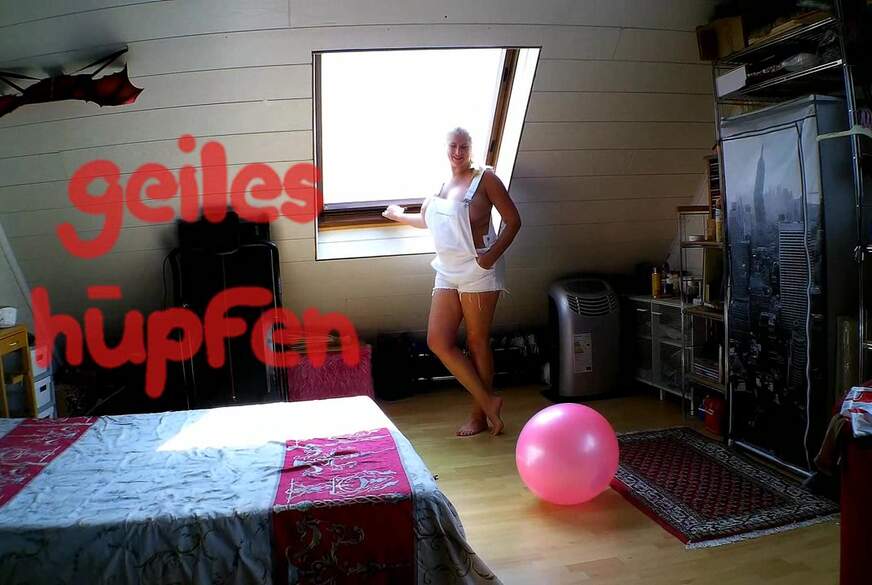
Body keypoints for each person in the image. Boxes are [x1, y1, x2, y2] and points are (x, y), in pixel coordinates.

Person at [382, 127, 522, 436]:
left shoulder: (486, 179)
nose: (458, 152)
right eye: (453, 146)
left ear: (472, 148)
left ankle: (479, 416)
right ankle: (489, 401)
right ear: (446, 148)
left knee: (476, 342)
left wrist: (489, 258)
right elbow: (427, 220)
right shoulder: (442, 184)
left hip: (478, 269)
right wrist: (398, 215)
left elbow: (514, 221)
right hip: (447, 269)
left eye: (464, 146)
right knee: (438, 340)